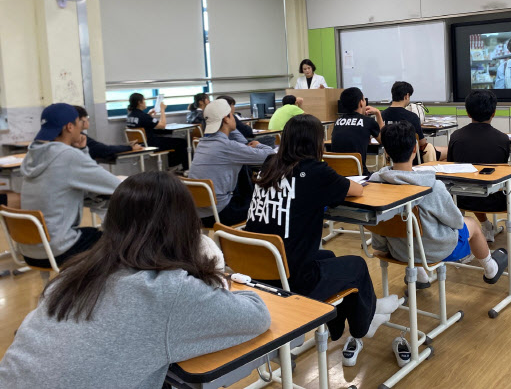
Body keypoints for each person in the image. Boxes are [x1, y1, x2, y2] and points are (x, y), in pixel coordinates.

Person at [0, 172, 271, 389]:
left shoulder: (72, 275)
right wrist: (212, 275)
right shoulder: (167, 291)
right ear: (185, 227)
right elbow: (257, 314)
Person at [246, 114, 400, 367]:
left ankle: (342, 320)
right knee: (357, 266)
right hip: (292, 279)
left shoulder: (270, 163)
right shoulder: (315, 171)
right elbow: (357, 189)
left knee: (328, 257)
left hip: (259, 272)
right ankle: (366, 324)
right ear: (317, 143)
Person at [369, 122, 508, 283]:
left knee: (410, 227)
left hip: (398, 250)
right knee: (471, 223)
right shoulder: (432, 186)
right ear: (415, 149)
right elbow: (455, 221)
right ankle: (491, 269)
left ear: (386, 151)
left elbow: (377, 224)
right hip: (435, 251)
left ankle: (420, 276)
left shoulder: (376, 184)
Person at [18, 103, 121, 268]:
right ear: (69, 127)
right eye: (79, 124)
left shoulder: (33, 154)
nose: (82, 129)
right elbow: (115, 186)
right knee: (120, 243)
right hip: (59, 249)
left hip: (31, 248)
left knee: (93, 234)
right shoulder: (67, 155)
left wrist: (82, 151)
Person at [447, 90, 511, 242]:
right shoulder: (502, 139)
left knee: (474, 184)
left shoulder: (456, 136)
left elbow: (451, 167)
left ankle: (486, 226)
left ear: (468, 113)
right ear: (493, 113)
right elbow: (501, 170)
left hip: (461, 197)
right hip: (496, 199)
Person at [188, 99, 275, 228]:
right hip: (221, 214)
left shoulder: (202, 143)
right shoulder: (227, 146)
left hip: (198, 214)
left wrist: (229, 127)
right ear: (226, 119)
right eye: (232, 115)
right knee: (268, 204)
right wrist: (258, 145)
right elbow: (270, 155)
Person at [381, 81, 446, 163]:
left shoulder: (382, 115)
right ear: (406, 96)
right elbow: (422, 142)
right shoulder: (412, 116)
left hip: (390, 157)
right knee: (447, 152)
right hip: (412, 158)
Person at [126, 93, 188, 170]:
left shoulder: (130, 115)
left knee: (169, 137)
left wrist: (149, 114)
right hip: (150, 144)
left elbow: (142, 123)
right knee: (181, 142)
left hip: (138, 143)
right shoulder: (143, 116)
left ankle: (173, 166)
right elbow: (162, 125)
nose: (145, 102)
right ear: (139, 102)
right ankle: (181, 168)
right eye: (144, 100)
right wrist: (162, 110)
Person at [331, 87, 384, 176]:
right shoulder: (368, 121)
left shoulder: (338, 121)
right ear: (361, 103)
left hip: (337, 175)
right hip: (359, 175)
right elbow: (384, 140)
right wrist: (378, 113)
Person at [74, 106, 144, 160]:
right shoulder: (79, 137)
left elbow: (103, 148)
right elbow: (105, 149)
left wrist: (126, 146)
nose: (88, 120)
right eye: (87, 117)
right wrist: (130, 148)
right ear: (80, 120)